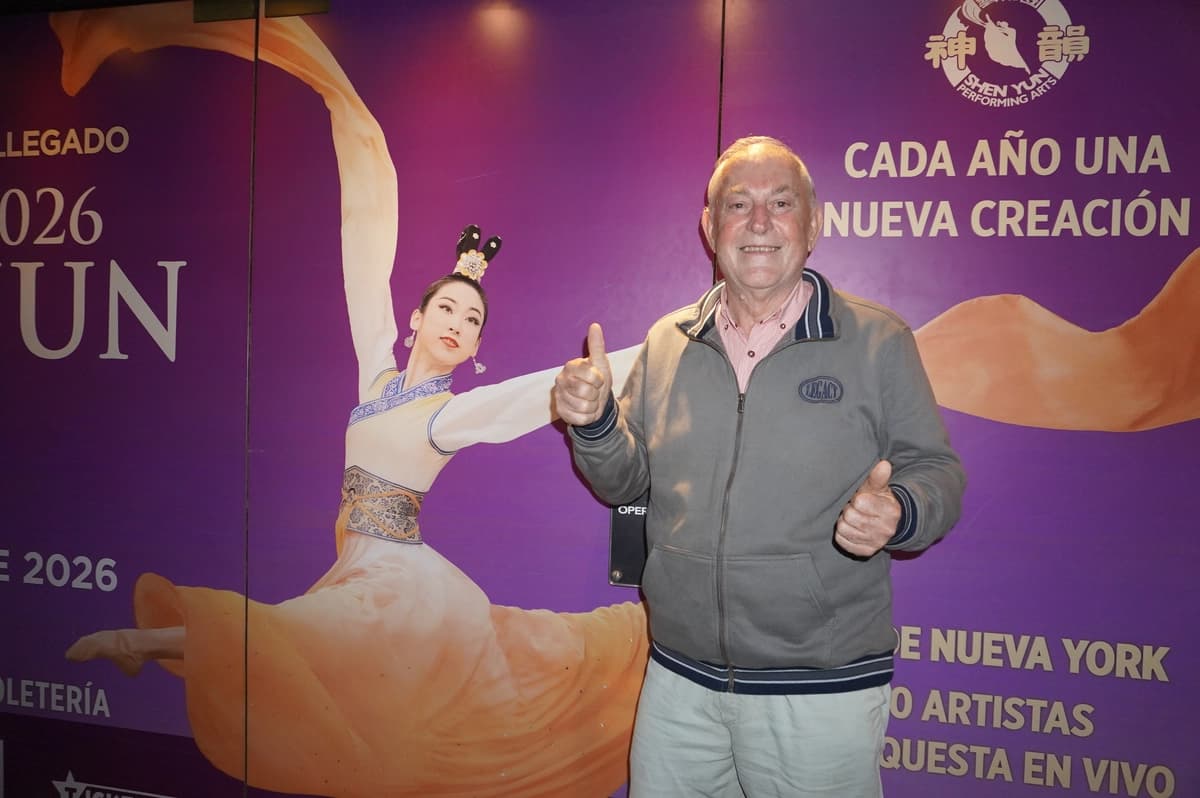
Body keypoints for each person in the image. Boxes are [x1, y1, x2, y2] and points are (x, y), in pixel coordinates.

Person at [58, 7, 648, 797]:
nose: (459, 323)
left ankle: (145, 638)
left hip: (401, 589)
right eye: (447, 309)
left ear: (473, 349)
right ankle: (159, 641)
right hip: (357, 570)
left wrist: (657, 349)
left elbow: (527, 394)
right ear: (416, 318)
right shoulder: (376, 377)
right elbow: (364, 247)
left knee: (292, 640)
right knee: (302, 660)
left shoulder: (447, 414)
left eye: (472, 322)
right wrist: (356, 125)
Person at [553, 135, 967, 797]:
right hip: (680, 680)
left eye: (781, 203)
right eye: (737, 204)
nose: (759, 223)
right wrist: (597, 421)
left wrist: (901, 511)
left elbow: (937, 471)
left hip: (819, 690)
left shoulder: (876, 340)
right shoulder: (668, 342)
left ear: (815, 222)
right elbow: (624, 483)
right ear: (709, 225)